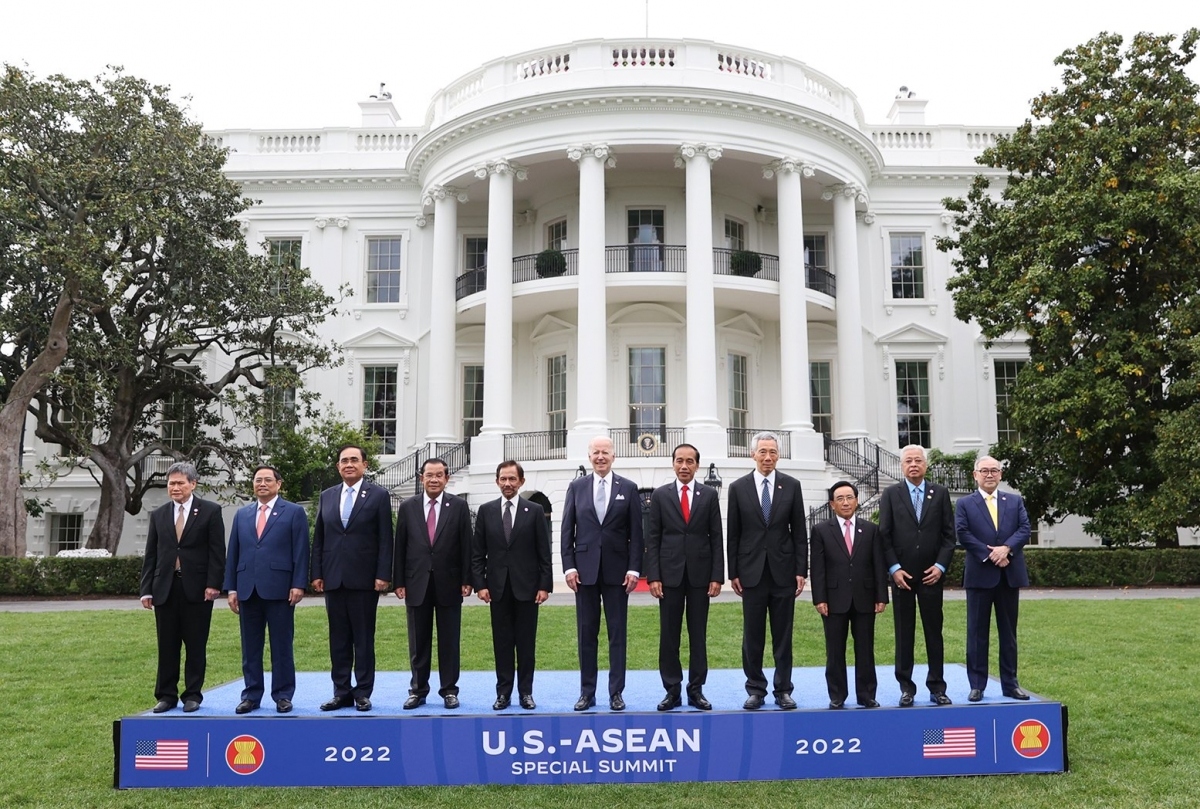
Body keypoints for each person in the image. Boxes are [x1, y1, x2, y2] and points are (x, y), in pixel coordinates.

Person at [561, 435, 643, 711]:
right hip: (583, 574)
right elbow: (566, 531)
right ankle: (587, 692)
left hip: (618, 574)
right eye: (595, 452)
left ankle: (616, 693)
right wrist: (569, 566)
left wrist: (634, 568)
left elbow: (636, 534)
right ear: (589, 456)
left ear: (613, 456)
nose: (600, 457)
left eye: (605, 452)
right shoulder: (576, 487)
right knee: (587, 634)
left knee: (617, 634)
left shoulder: (628, 488)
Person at [726, 431, 807, 710]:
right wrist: (733, 571)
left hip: (783, 571)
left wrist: (801, 570)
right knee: (753, 635)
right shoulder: (738, 488)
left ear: (778, 455)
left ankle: (783, 689)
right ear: (752, 454)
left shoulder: (792, 486)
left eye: (772, 452)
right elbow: (733, 534)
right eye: (763, 452)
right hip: (751, 573)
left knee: (783, 635)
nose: (768, 457)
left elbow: (799, 531)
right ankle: (756, 689)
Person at [310, 443, 393, 712]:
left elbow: (385, 538)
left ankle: (363, 692)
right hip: (333, 578)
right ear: (338, 466)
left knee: (363, 638)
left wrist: (383, 574)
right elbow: (320, 538)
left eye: (354, 460)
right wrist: (317, 573)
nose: (349, 464)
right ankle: (341, 691)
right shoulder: (327, 496)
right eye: (344, 460)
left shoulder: (378, 495)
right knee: (339, 639)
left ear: (364, 465)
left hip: (365, 580)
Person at [139, 462, 226, 713]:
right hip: (165, 588)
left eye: (180, 483)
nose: (175, 488)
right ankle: (166, 695)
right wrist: (146, 589)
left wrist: (213, 584)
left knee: (196, 644)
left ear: (193, 484)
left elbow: (217, 551)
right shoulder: (159, 514)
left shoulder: (210, 511)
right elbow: (151, 554)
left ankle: (193, 695)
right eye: (171, 483)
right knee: (167, 645)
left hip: (198, 590)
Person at [223, 465, 309, 714]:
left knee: (282, 645)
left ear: (278, 484)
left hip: (280, 589)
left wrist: (298, 583)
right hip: (247, 589)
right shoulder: (242, 514)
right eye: (258, 480)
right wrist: (231, 588)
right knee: (250, 647)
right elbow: (234, 553)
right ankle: (251, 695)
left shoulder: (293, 513)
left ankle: (283, 695)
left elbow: (301, 551)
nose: (262, 483)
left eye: (267, 480)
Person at [644, 443, 724, 711]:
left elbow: (716, 537)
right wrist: (653, 576)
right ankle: (672, 690)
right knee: (669, 635)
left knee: (697, 635)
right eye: (680, 460)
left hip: (701, 576)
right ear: (673, 463)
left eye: (690, 461)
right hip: (669, 576)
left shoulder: (709, 495)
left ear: (697, 465)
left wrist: (717, 576)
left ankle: (696, 689)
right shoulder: (660, 496)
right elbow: (652, 538)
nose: (684, 466)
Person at [879, 444, 957, 706]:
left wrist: (941, 567)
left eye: (918, 460)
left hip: (931, 576)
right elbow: (884, 535)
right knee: (904, 633)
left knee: (934, 631)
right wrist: (894, 569)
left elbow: (949, 536)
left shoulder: (940, 493)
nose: (913, 465)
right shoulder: (891, 494)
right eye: (908, 461)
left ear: (925, 465)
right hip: (902, 577)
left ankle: (937, 687)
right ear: (902, 466)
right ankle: (906, 687)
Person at [471, 460, 552, 710]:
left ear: (521, 482)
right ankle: (503, 693)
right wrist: (480, 584)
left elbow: (544, 552)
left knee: (526, 644)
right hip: (497, 589)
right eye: (503, 479)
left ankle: (525, 693)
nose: (507, 484)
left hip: (528, 588)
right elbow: (477, 553)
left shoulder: (535, 511)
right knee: (502, 643)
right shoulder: (486, 511)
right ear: (497, 481)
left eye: (512, 479)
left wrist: (544, 585)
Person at [394, 457, 473, 709]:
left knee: (449, 641)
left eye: (439, 475)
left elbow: (466, 545)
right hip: (416, 583)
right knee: (418, 642)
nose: (434, 479)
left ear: (447, 479)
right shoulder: (407, 507)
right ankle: (418, 690)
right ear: (421, 478)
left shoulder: (459, 506)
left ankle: (449, 690)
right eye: (429, 475)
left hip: (449, 582)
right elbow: (401, 547)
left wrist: (466, 579)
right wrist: (399, 581)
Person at [956, 455, 1031, 702]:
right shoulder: (965, 503)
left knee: (1008, 633)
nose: (990, 475)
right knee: (976, 633)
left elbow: (1024, 529)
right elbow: (963, 533)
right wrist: (990, 554)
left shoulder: (1015, 501)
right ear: (975, 474)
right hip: (980, 575)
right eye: (984, 470)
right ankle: (977, 685)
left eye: (994, 470)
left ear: (1000, 474)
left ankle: (1010, 684)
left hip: (1009, 574)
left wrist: (1006, 549)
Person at [810, 480, 888, 709]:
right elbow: (817, 568)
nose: (845, 502)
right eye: (840, 499)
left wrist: (881, 596)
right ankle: (837, 695)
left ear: (857, 501)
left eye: (849, 497)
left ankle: (866, 695)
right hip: (834, 600)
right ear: (832, 504)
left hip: (865, 598)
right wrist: (820, 598)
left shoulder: (871, 530)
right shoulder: (821, 530)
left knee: (865, 649)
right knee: (835, 650)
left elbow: (878, 564)